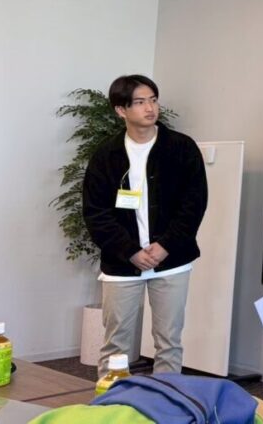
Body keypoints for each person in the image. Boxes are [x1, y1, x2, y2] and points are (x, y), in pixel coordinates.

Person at [82, 75, 207, 378]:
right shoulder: (106, 155)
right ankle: (111, 400)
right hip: (121, 263)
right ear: (121, 110)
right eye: (139, 102)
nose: (150, 108)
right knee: (116, 344)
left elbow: (194, 204)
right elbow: (96, 212)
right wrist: (130, 251)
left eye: (153, 100)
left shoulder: (182, 148)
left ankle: (165, 402)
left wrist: (165, 246)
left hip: (172, 260)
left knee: (169, 343)